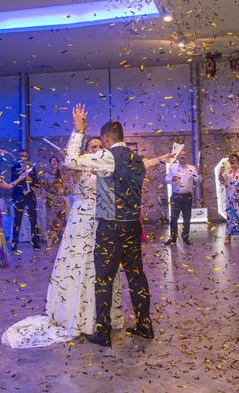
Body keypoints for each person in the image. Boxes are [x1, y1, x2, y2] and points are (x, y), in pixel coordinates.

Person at [1, 136, 123, 348]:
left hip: (102, 221)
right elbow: (70, 161)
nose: (96, 150)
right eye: (92, 147)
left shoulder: (105, 168)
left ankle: (103, 316)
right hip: (82, 221)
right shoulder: (78, 169)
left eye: (99, 147)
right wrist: (77, 133)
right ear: (85, 151)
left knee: (102, 268)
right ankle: (78, 316)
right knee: (80, 265)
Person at [64, 104, 152, 348]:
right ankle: (145, 323)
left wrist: (79, 131)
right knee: (136, 276)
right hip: (133, 225)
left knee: (103, 278)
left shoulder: (106, 156)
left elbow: (71, 160)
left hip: (111, 227)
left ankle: (102, 331)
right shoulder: (137, 159)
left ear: (105, 139)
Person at [164, 150, 201, 245]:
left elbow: (199, 180)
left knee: (187, 218)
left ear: (186, 156)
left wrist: (200, 173)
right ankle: (173, 237)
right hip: (175, 196)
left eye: (184, 155)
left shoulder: (192, 168)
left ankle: (185, 236)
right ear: (178, 157)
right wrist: (172, 179)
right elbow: (166, 179)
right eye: (180, 155)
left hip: (187, 196)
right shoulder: (173, 168)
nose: (182, 156)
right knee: (173, 218)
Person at [9, 150, 41, 251]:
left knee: (33, 219)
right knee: (17, 220)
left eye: (26, 156)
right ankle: (14, 242)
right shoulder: (14, 168)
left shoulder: (32, 168)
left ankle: (35, 241)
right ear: (19, 157)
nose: (24, 158)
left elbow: (37, 183)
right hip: (19, 196)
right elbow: (12, 182)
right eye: (22, 156)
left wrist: (30, 179)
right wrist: (21, 175)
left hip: (30, 196)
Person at [219, 153, 239, 246]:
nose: (233, 160)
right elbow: (222, 180)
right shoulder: (227, 171)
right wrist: (221, 172)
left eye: (235, 159)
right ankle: (228, 236)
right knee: (231, 216)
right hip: (231, 198)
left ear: (238, 161)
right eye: (231, 159)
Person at [43, 155, 66, 243]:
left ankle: (60, 237)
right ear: (49, 163)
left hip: (60, 199)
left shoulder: (61, 174)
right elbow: (45, 187)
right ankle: (51, 237)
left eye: (55, 161)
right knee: (51, 218)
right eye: (52, 161)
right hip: (51, 198)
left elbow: (66, 186)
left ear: (58, 163)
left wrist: (63, 192)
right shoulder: (46, 175)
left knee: (61, 218)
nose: (54, 163)